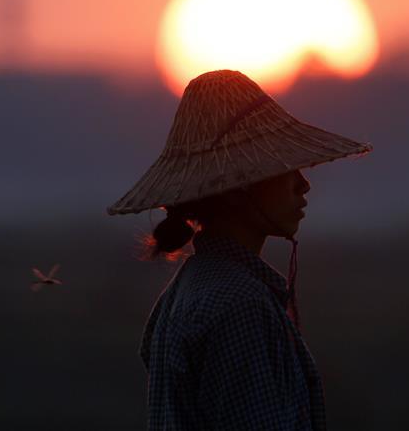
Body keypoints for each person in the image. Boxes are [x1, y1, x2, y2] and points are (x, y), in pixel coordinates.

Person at [107, 69, 372, 430]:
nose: (303, 184)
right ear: (239, 186)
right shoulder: (239, 305)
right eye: (283, 166)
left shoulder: (189, 289)